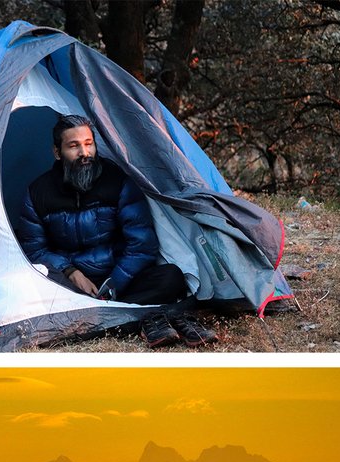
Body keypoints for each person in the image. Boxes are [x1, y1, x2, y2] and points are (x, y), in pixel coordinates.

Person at [13, 114, 217, 347]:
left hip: (120, 276)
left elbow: (142, 245)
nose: (84, 153)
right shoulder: (38, 192)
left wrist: (115, 284)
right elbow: (34, 249)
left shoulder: (118, 181)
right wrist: (70, 271)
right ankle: (150, 315)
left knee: (171, 277)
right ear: (57, 152)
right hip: (70, 284)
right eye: (74, 146)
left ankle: (108, 315)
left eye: (89, 144)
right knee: (30, 290)